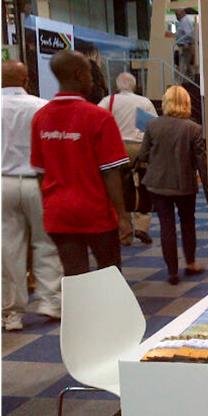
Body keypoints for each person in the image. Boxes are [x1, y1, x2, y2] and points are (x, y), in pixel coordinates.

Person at [30, 50, 131, 276]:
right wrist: (123, 216)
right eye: (89, 73)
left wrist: (49, 205)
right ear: (78, 75)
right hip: (96, 212)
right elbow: (111, 173)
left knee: (74, 276)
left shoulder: (40, 117)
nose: (92, 80)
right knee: (110, 276)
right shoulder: (99, 117)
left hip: (58, 213)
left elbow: (40, 172)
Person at [2, 60, 63, 331]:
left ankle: (11, 313)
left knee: (8, 249)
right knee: (46, 242)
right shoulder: (42, 107)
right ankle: (51, 301)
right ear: (26, 79)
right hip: (37, 182)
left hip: (3, 183)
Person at [139, 85, 208, 285]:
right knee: (188, 223)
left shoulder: (152, 125)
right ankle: (191, 263)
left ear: (165, 103)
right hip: (184, 184)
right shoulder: (193, 128)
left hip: (157, 184)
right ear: (187, 103)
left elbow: (143, 155)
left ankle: (172, 271)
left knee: (166, 225)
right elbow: (201, 163)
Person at [99, 72, 158, 245]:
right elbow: (153, 126)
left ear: (117, 85)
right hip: (140, 147)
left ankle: (123, 228)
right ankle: (141, 225)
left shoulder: (108, 101)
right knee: (142, 185)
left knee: (118, 188)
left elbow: (97, 121)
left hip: (116, 148)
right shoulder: (144, 102)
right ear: (134, 85)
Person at [174, 8, 195, 79]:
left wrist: (186, 43)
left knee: (184, 67)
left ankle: (184, 82)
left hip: (185, 46)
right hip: (183, 46)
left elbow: (189, 34)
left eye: (177, 14)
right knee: (185, 67)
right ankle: (187, 80)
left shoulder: (185, 21)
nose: (176, 16)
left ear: (182, 13)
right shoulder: (183, 21)